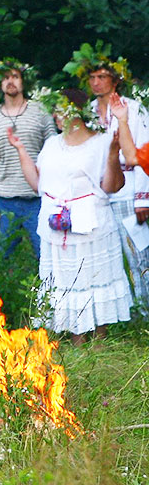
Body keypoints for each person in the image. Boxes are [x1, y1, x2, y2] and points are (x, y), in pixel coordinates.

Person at [8, 88, 131, 342]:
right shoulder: (52, 143)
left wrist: (111, 156)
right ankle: (76, 339)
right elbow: (38, 184)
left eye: (59, 109)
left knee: (92, 277)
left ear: (76, 112)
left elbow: (112, 186)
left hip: (90, 223)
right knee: (66, 281)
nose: (55, 115)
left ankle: (98, 343)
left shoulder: (100, 142)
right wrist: (20, 150)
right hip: (56, 224)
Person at [78, 54, 149, 307]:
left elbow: (140, 152)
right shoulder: (86, 113)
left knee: (139, 256)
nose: (96, 82)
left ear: (115, 81)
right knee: (107, 256)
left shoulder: (133, 108)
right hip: (100, 193)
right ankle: (122, 310)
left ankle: (145, 312)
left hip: (129, 192)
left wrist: (143, 198)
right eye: (92, 77)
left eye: (102, 77)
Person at [0, 60, 56, 259]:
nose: (10, 81)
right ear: (0, 84)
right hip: (4, 199)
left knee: (46, 255)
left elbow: (55, 151)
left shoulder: (40, 111)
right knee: (2, 258)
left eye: (15, 76)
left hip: (38, 198)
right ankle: (1, 291)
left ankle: (50, 290)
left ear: (24, 82)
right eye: (6, 78)